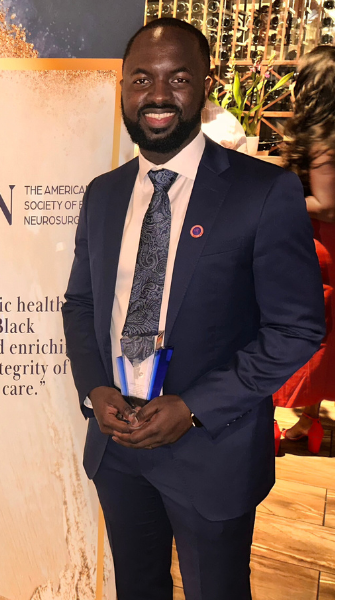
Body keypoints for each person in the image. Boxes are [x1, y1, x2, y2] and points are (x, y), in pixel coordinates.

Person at [62, 18, 325, 600]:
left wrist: (195, 407)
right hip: (118, 446)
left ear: (205, 86)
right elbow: (80, 304)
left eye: (177, 78)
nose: (157, 95)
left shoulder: (264, 192)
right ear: (123, 90)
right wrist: (95, 391)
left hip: (213, 451)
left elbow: (297, 327)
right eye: (141, 79)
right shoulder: (102, 195)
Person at [274, 45, 335, 453]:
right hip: (320, 246)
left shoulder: (325, 138)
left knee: (302, 336)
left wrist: (279, 200)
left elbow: (327, 204)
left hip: (318, 246)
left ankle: (293, 419)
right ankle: (307, 423)